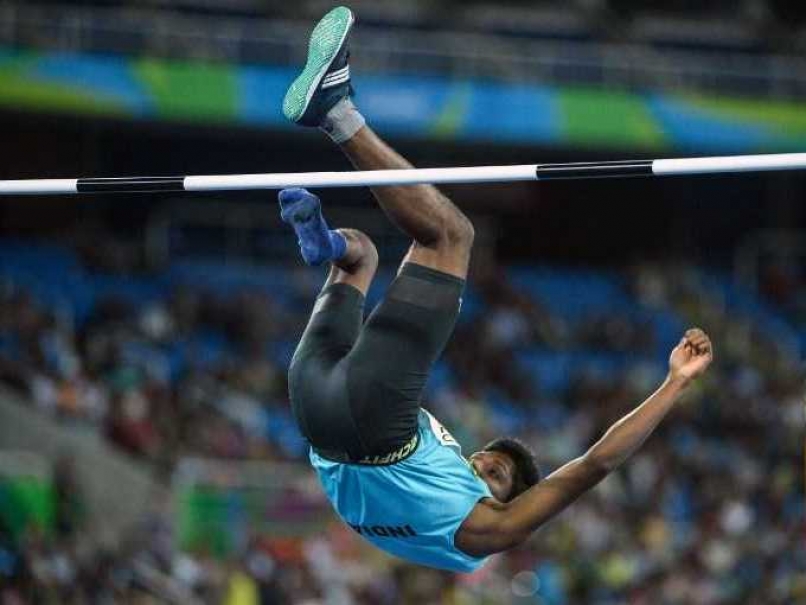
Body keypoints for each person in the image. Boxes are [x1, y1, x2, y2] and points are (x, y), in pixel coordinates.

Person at [279, 6, 714, 573]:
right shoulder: (445, 476)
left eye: (496, 475)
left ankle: (336, 111)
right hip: (314, 403)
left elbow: (592, 466)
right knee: (359, 253)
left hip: (359, 422)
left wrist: (674, 385)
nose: (483, 462)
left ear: (510, 502)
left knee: (452, 236)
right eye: (490, 459)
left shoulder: (484, 533)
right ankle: (324, 246)